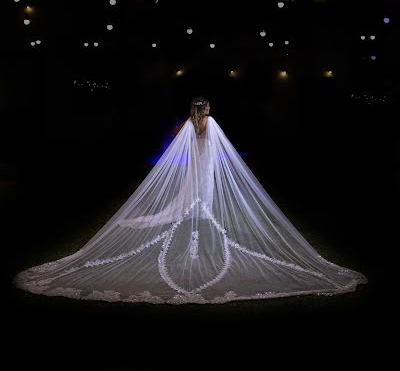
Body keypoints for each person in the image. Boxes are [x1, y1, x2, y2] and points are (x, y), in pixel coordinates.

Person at [13, 96, 367, 305]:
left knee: (194, 195)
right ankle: (202, 209)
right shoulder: (210, 124)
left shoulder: (189, 124)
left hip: (196, 165)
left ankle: (195, 208)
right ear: (207, 108)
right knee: (204, 197)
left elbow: (180, 145)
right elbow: (219, 148)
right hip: (206, 165)